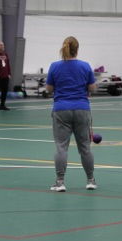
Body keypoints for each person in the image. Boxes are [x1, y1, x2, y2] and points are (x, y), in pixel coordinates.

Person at [45, 36, 97, 192]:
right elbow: (93, 88)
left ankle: (60, 182)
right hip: (82, 109)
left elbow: (49, 89)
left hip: (61, 110)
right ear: (77, 49)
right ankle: (90, 180)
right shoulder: (85, 66)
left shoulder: (55, 66)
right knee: (85, 148)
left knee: (61, 147)